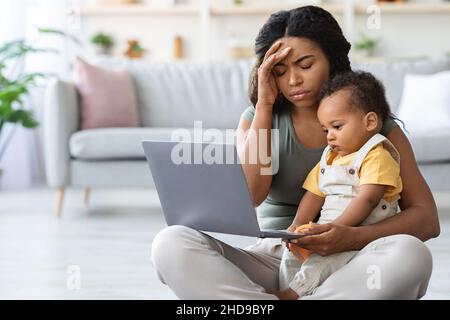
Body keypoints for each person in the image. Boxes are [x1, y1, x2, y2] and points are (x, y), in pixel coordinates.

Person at [151, 6, 440, 300]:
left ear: (331, 58)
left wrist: (351, 237)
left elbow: (427, 220)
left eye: (305, 64)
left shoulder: (374, 125)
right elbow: (252, 194)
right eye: (280, 71)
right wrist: (264, 105)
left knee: (412, 254)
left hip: (355, 259)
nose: (293, 81)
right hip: (278, 256)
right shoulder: (256, 119)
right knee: (171, 242)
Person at [276, 71, 404, 299]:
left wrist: (336, 230)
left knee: (322, 263)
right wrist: (295, 227)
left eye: (337, 127)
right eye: (326, 130)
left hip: (357, 237)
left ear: (370, 122)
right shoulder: (329, 158)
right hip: (327, 229)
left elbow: (368, 199)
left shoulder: (378, 155)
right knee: (291, 256)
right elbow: (314, 195)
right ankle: (289, 289)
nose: (329, 137)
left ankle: (292, 294)